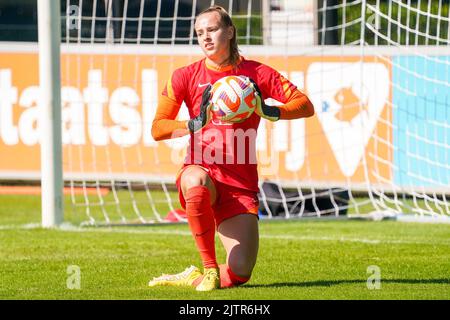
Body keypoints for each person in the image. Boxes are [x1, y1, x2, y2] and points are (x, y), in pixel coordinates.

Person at [149, 5, 314, 292]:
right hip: (203, 167)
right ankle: (210, 268)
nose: (205, 38)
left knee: (240, 271)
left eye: (212, 29)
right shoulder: (184, 76)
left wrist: (269, 111)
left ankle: (194, 276)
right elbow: (158, 128)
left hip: (240, 182)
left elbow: (305, 105)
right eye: (199, 33)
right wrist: (193, 123)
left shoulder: (257, 73)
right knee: (194, 181)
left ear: (230, 31)